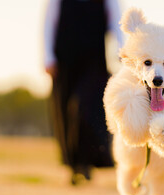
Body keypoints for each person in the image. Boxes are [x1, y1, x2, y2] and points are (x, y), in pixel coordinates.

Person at [43, 0, 123, 184]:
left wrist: (123, 51)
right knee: (65, 112)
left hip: (94, 61)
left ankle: (87, 161)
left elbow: (117, 22)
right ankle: (75, 165)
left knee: (87, 107)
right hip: (64, 60)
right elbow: (49, 23)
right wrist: (47, 56)